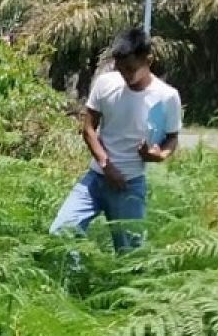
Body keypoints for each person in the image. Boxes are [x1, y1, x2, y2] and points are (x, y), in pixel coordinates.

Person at [50, 28, 182, 252]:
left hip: (129, 185)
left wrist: (158, 155)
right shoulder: (105, 84)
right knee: (61, 233)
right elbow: (89, 128)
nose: (125, 75)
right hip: (95, 179)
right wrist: (105, 165)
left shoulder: (167, 96)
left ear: (148, 60)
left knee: (129, 255)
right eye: (119, 69)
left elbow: (172, 137)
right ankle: (75, 284)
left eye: (130, 69)